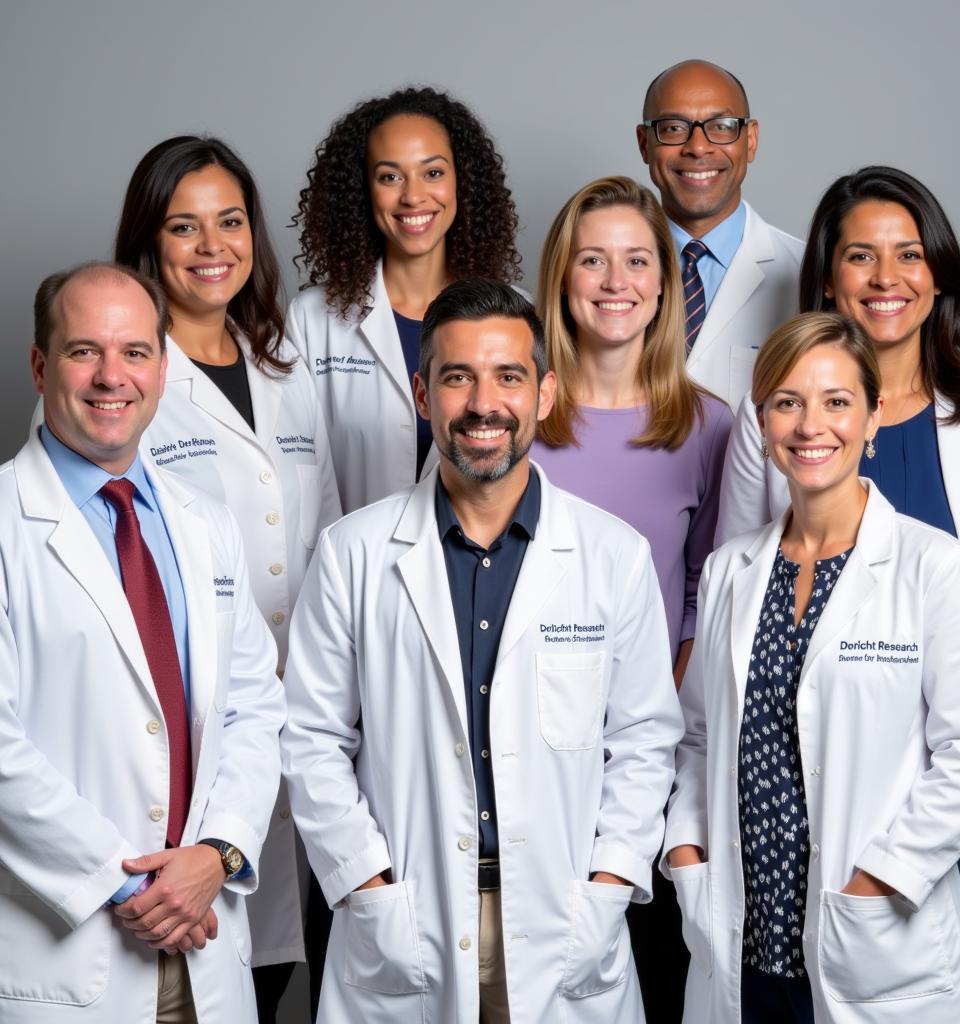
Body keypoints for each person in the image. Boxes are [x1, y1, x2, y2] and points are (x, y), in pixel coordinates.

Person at [281, 279, 683, 1022]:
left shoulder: (610, 555)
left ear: (544, 394)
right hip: (408, 913)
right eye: (457, 375)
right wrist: (366, 886)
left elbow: (645, 741)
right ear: (423, 394)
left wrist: (609, 881)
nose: (482, 402)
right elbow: (310, 740)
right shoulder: (354, 555)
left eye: (508, 376)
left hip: (563, 915)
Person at [717, 166, 960, 1020]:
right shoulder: (773, 420)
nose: (887, 278)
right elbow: (740, 576)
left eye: (910, 254)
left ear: (941, 274)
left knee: (953, 981)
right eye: (861, 256)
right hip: (815, 784)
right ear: (826, 277)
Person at [666, 311, 960, 1022]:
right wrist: (688, 849)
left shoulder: (932, 566)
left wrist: (877, 881)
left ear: (873, 415)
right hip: (740, 942)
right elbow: (696, 738)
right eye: (787, 402)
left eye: (836, 401)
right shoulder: (733, 569)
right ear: (762, 422)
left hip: (873, 942)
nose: (810, 425)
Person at [0, 262, 285, 1023]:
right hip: (73, 949)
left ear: (162, 367)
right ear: (39, 365)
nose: (110, 377)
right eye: (83, 351)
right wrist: (132, 884)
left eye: (134, 352)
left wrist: (216, 854)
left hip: (207, 943)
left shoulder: (206, 521)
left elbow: (255, 709)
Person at [114, 135, 341, 1022]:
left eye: (231, 222)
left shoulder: (286, 368)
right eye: (184, 226)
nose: (213, 246)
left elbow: (320, 548)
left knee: (293, 969)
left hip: (303, 726)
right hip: (191, 740)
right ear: (149, 240)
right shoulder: (123, 376)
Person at [531, 175, 731, 1019]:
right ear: (561, 280)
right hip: (528, 736)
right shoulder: (514, 415)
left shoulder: (711, 425)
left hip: (654, 742)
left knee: (647, 965)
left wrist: (658, 698)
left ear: (663, 283)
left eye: (636, 261)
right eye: (593, 261)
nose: (616, 281)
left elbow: (709, 587)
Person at [287, 85, 522, 513]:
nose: (413, 195)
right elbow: (299, 475)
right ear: (364, 190)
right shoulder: (311, 320)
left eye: (433, 173)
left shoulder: (516, 314)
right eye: (390, 176)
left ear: (462, 182)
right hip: (351, 568)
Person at [636, 59, 803, 410]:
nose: (698, 146)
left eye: (722, 126)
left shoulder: (806, 274)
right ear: (644, 143)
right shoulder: (600, 280)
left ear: (751, 140)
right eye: (673, 128)